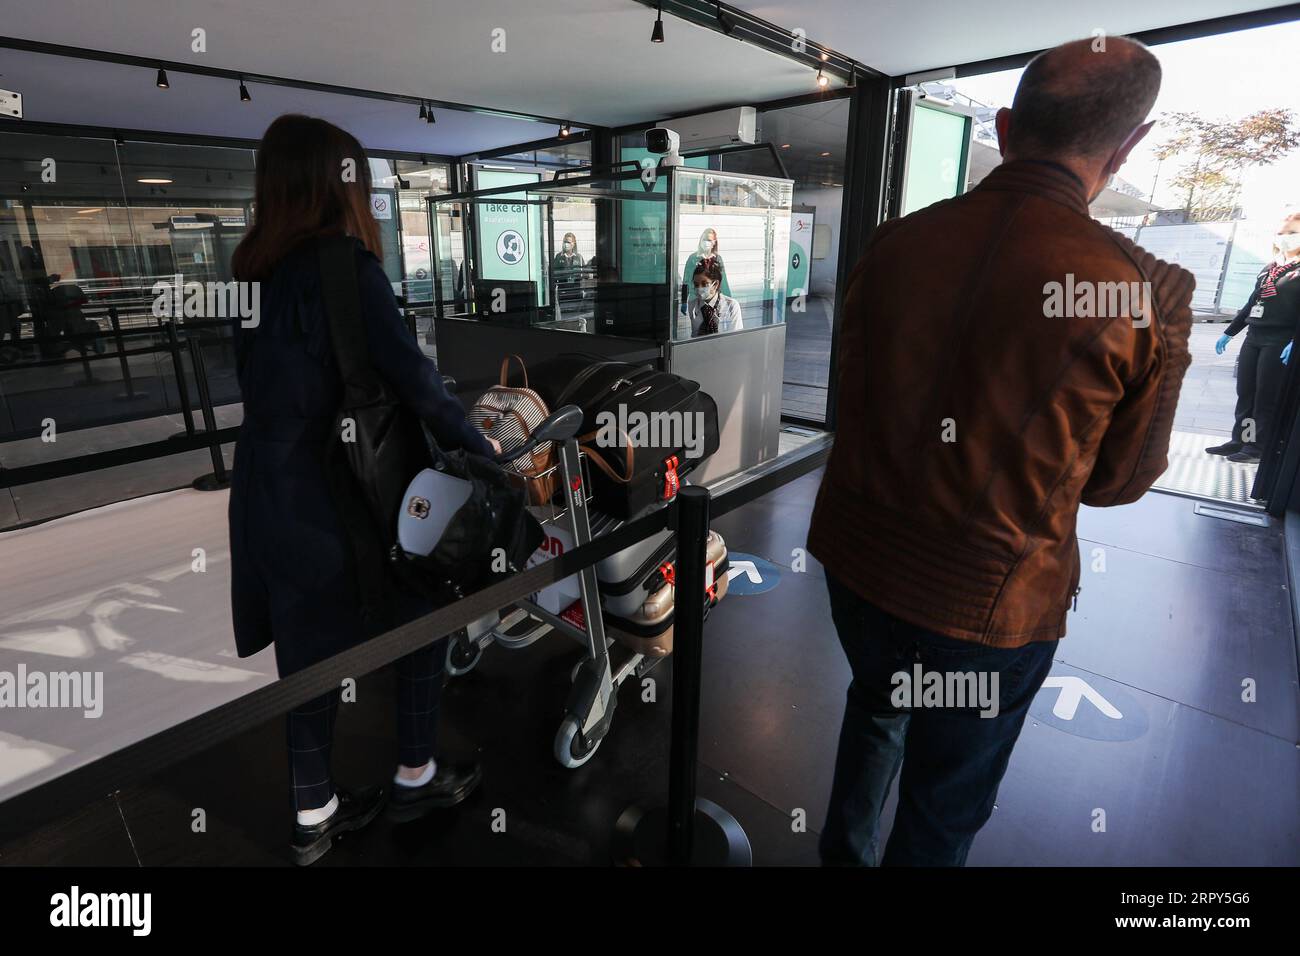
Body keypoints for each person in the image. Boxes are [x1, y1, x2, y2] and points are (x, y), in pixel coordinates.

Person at [807, 36, 1194, 866]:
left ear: (1011, 125)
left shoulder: (894, 243)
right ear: (1127, 148)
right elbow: (1118, 484)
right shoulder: (1132, 288)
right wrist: (1174, 329)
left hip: (856, 562)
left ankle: (840, 855)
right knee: (944, 806)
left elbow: (854, 407)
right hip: (987, 604)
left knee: (876, 706)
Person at [228, 114, 500, 866]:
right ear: (335, 188)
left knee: (308, 651)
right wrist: (487, 452)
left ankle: (313, 814)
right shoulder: (347, 268)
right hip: (343, 491)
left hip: (268, 491)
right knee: (424, 610)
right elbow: (418, 385)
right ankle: (415, 774)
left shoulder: (250, 269)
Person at [1206, 212, 1300, 463]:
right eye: (1282, 234)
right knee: (1246, 392)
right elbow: (1252, 302)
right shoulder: (1271, 267)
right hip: (1255, 336)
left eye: (1292, 234)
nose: (1285, 239)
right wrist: (1230, 332)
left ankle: (1257, 447)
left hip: (1280, 339)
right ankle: (1241, 439)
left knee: (1265, 396)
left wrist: (1296, 341)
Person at [683, 260, 742, 336]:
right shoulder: (691, 306)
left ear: (715, 284)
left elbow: (735, 339)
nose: (699, 288)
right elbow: (687, 337)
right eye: (696, 284)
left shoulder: (731, 305)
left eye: (704, 284)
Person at [681, 227, 730, 308]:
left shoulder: (717, 259)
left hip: (713, 299)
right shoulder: (693, 258)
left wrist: (729, 300)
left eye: (709, 240)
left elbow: (723, 281)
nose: (706, 242)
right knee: (697, 320)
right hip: (695, 298)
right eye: (704, 239)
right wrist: (684, 301)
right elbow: (686, 281)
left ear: (714, 242)